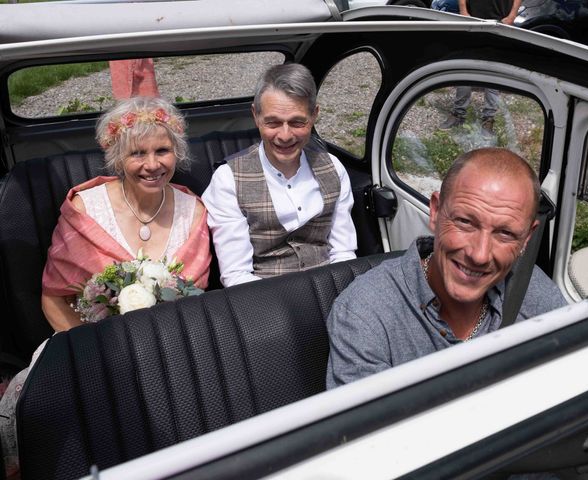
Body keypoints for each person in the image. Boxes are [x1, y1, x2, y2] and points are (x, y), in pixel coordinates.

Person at [0, 96, 211, 479]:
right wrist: (98, 358)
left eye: (163, 150)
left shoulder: (193, 210)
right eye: (137, 153)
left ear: (176, 151)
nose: (152, 164)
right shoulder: (85, 208)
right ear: (116, 156)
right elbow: (54, 298)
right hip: (87, 349)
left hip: (169, 350)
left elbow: (193, 302)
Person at [326, 147, 565, 388]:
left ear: (527, 238)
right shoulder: (365, 313)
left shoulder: (532, 291)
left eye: (504, 233)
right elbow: (370, 424)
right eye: (465, 222)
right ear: (436, 212)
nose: (480, 255)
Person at [202, 63, 357, 287]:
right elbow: (236, 275)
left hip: (330, 286)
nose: (285, 136)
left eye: (297, 122)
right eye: (273, 123)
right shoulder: (228, 180)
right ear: (256, 116)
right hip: (266, 297)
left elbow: (343, 253)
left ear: (314, 115)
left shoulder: (333, 168)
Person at [439, 0, 522, 135]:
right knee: (466, 66)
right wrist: (463, 11)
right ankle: (458, 114)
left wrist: (512, 16)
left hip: (500, 23)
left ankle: (488, 119)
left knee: (493, 71)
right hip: (473, 20)